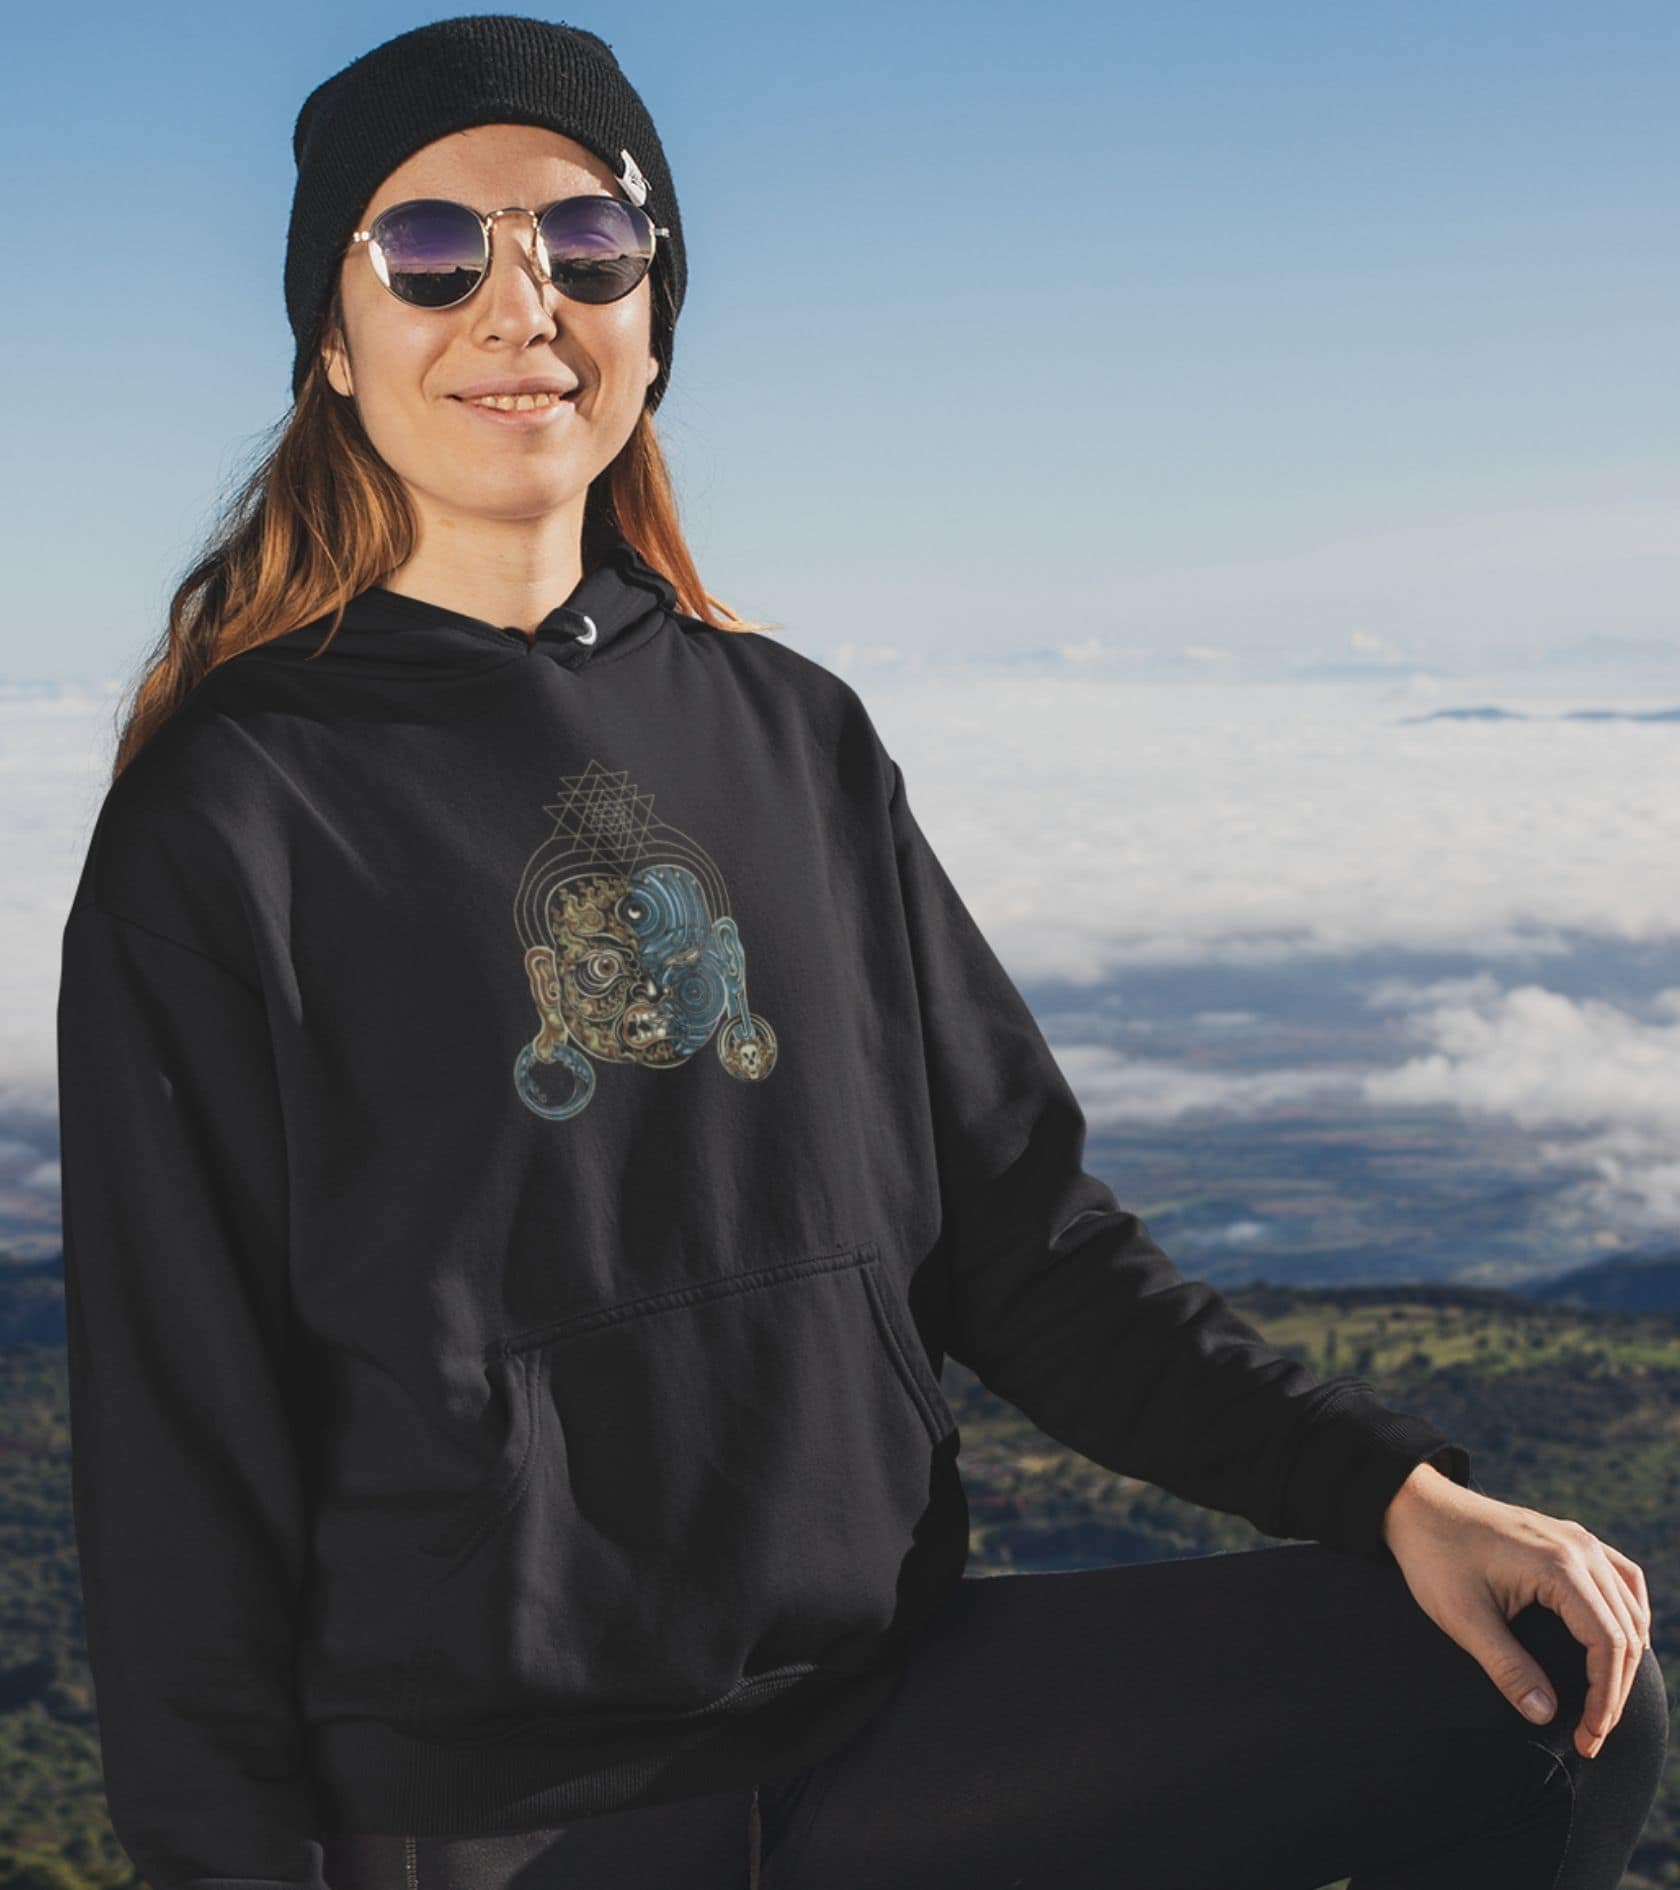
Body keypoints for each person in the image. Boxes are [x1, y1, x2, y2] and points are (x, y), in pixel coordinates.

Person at [55, 15, 1666, 1890]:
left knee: (1548, 1696)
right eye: (430, 250)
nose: (521, 305)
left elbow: (1029, 1248)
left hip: (880, 1720)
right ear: (333, 340)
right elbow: (179, 1469)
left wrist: (1392, 1487)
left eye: (586, 243)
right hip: (494, 1807)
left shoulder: (795, 739)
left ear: (654, 312)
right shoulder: (232, 818)